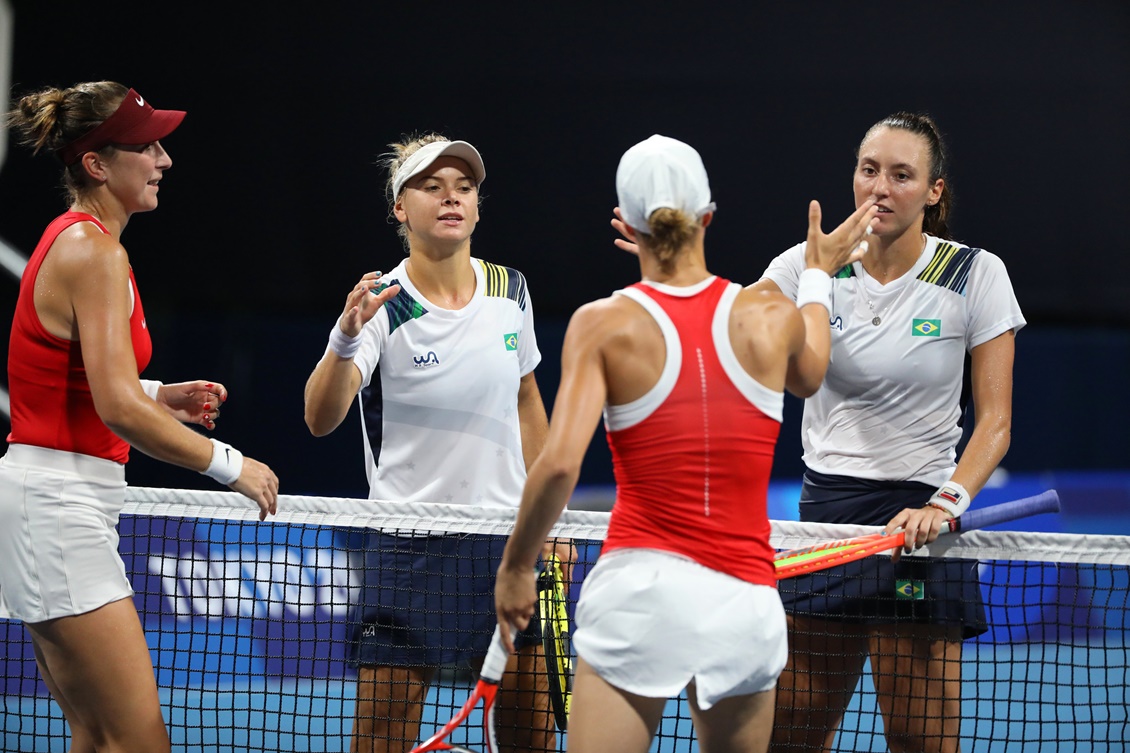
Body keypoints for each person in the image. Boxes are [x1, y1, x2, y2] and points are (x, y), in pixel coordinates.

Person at [495, 134, 878, 753]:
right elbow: (810, 374)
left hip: (638, 597)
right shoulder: (769, 317)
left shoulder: (602, 324)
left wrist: (516, 567)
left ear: (627, 223)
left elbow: (559, 464)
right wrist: (815, 273)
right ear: (708, 216)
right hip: (743, 605)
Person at [0, 81, 279, 753]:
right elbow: (113, 406)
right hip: (57, 508)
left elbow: (81, 379)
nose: (165, 159)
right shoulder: (94, 252)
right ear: (98, 163)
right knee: (138, 740)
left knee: (98, 737)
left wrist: (160, 392)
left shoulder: (78, 241)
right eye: (148, 146)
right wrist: (231, 465)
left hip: (54, 504)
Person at [751, 112, 1025, 753]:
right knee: (788, 737)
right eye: (869, 170)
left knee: (919, 743)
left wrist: (946, 504)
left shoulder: (973, 275)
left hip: (920, 526)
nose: (881, 187)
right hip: (826, 521)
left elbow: (996, 422)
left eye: (902, 175)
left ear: (933, 191)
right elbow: (735, 324)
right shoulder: (805, 266)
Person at [303, 133, 564, 753]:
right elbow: (320, 418)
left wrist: (547, 521)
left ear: (477, 206)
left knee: (530, 741)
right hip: (407, 548)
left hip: (507, 542)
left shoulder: (511, 289)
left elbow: (528, 400)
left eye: (464, 187)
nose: (452, 198)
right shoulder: (381, 305)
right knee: (381, 740)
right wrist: (344, 337)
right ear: (400, 208)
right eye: (431, 186)